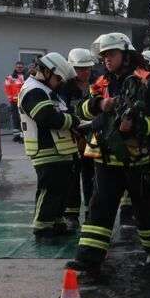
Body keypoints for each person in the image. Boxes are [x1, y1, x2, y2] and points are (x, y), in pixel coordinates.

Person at [67, 33, 150, 276]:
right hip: (106, 161)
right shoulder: (102, 83)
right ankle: (88, 259)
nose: (106, 59)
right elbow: (82, 107)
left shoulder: (149, 85)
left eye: (111, 54)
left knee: (145, 211)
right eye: (103, 55)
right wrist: (98, 105)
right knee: (100, 208)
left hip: (138, 162)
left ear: (126, 55)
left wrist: (138, 125)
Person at [17, 52, 78, 241]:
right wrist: (74, 121)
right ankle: (42, 228)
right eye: (58, 78)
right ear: (47, 71)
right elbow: (47, 117)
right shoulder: (34, 90)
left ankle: (55, 222)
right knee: (50, 189)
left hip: (58, 150)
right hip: (46, 149)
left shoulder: (45, 90)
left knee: (60, 189)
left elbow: (60, 113)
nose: (59, 82)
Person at [61, 48, 97, 231]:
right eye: (80, 69)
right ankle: (71, 215)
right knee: (72, 179)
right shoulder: (64, 88)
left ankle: (91, 212)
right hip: (73, 137)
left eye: (88, 68)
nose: (85, 72)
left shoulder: (97, 84)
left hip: (93, 137)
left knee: (91, 177)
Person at [6, 61, 26, 142]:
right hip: (14, 101)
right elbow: (7, 88)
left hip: (24, 100)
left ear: (23, 67)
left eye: (21, 67)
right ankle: (16, 136)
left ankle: (22, 136)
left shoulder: (27, 76)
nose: (19, 68)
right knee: (15, 118)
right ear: (15, 67)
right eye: (18, 67)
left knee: (23, 118)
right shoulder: (10, 77)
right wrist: (10, 99)